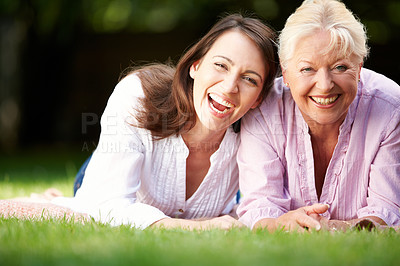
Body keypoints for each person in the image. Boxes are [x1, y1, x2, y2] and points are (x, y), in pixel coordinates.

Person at [48, 14, 278, 230]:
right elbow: (106, 204)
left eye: (249, 79)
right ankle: (58, 199)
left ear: (259, 98)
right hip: (123, 166)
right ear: (195, 66)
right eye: (221, 65)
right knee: (87, 196)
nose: (229, 87)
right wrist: (196, 227)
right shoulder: (137, 94)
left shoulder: (259, 132)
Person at [237, 0, 400, 232]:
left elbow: (386, 210)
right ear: (286, 72)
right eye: (307, 69)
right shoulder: (265, 109)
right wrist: (279, 225)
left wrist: (327, 228)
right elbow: (260, 206)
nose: (324, 86)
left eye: (340, 67)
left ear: (359, 68)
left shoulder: (391, 107)